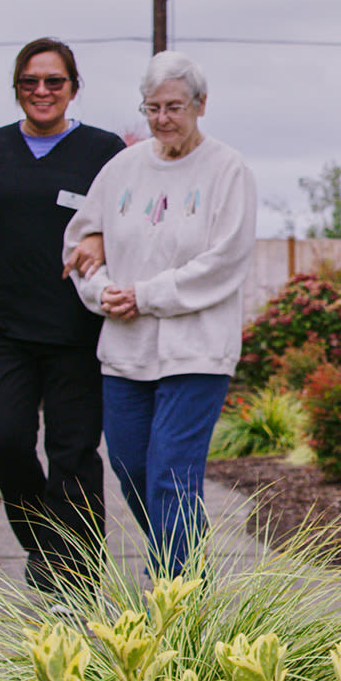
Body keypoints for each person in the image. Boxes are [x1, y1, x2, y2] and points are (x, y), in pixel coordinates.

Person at [0, 37, 127, 596]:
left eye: (53, 81)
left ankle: (78, 577)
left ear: (73, 88)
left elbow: (126, 223)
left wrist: (103, 241)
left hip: (76, 331)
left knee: (73, 455)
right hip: (6, 329)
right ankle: (45, 543)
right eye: (30, 82)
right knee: (2, 443)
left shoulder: (103, 151)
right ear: (16, 88)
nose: (42, 91)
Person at [62, 51, 257, 577]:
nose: (162, 118)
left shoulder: (228, 169)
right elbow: (79, 245)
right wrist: (101, 291)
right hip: (126, 350)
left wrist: (145, 295)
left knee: (171, 475)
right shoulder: (122, 168)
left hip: (197, 352)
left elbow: (225, 262)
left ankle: (174, 595)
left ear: (200, 105)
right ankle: (187, 563)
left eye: (174, 107)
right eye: (152, 108)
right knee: (131, 471)